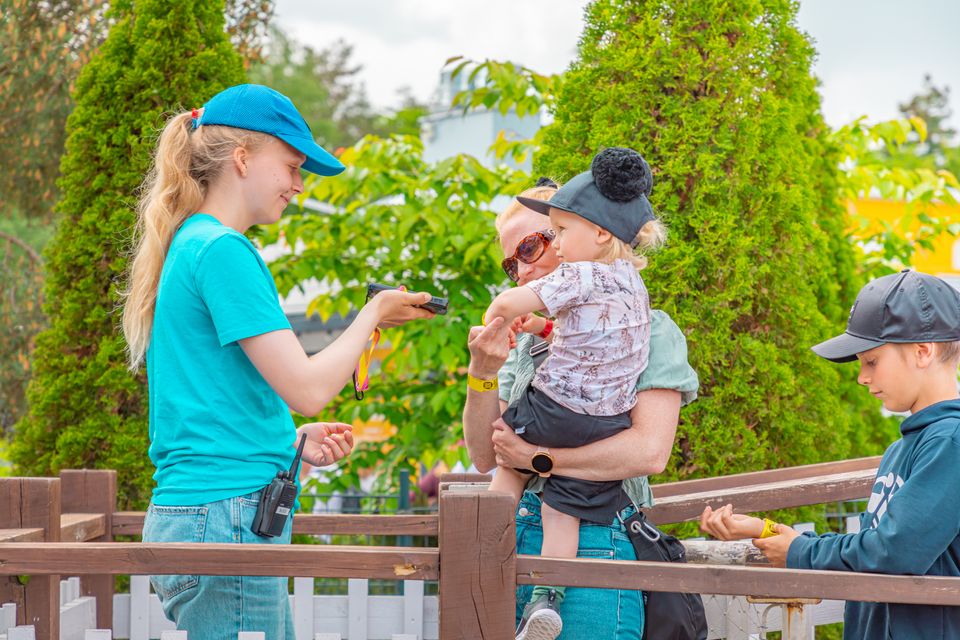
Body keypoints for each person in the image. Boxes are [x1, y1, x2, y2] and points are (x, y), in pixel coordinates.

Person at [121, 83, 436, 639]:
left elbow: (208, 399)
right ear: (242, 158)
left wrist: (287, 442)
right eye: (291, 166)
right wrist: (374, 315)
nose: (298, 184)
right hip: (226, 518)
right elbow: (308, 389)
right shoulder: (223, 250)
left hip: (207, 514)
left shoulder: (192, 243)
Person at [463, 177, 699, 639]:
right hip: (510, 536)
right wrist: (482, 371)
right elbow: (485, 455)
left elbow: (648, 452)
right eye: (511, 265)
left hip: (597, 538)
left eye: (530, 247)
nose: (522, 271)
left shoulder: (650, 328)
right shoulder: (534, 337)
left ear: (576, 236)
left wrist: (538, 461)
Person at [699, 270, 960, 640]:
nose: (862, 378)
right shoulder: (901, 449)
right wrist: (766, 530)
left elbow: (895, 552)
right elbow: (873, 548)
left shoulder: (951, 441)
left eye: (871, 361)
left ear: (922, 351)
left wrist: (800, 552)